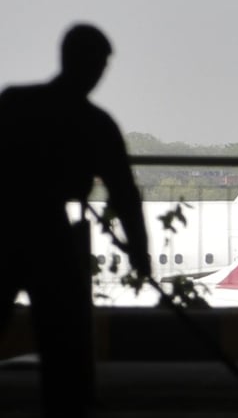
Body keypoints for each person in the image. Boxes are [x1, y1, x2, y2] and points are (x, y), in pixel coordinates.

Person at [0, 23, 150, 418]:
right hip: (50, 234)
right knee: (65, 336)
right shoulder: (96, 124)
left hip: (7, 229)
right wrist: (139, 251)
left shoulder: (15, 103)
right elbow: (125, 193)